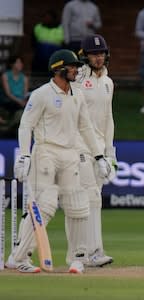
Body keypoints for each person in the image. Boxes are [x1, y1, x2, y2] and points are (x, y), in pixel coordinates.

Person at [7, 49, 111, 273]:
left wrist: (100, 156)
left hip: (70, 154)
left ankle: (77, 258)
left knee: (78, 206)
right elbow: (26, 125)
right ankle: (21, 258)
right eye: (73, 66)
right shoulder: (42, 94)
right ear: (59, 69)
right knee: (43, 207)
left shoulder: (77, 94)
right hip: (46, 152)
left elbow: (85, 128)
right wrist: (24, 155)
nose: (77, 70)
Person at [74, 34, 117, 267]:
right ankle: (89, 253)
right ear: (85, 56)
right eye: (93, 54)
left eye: (101, 53)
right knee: (89, 196)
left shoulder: (108, 83)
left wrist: (110, 153)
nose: (98, 58)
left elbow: (109, 118)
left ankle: (94, 252)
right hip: (80, 146)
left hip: (100, 149)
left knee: (95, 198)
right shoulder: (78, 79)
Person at [31, 10, 64, 75]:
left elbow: (64, 44)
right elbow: (33, 42)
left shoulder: (61, 28)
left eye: (49, 17)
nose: (46, 19)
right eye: (45, 17)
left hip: (55, 59)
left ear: (54, 19)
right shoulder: (38, 27)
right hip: (40, 58)